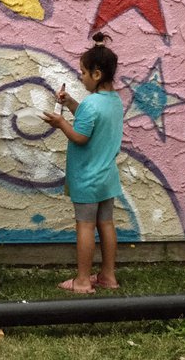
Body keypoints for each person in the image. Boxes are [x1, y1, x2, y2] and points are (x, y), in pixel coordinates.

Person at [42, 32, 124, 294]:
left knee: (86, 226)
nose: (80, 76)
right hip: (107, 177)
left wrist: (61, 122)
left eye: (83, 72)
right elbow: (91, 121)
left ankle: (83, 280)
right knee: (107, 224)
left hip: (87, 179)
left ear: (97, 74)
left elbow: (80, 136)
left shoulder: (91, 105)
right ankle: (108, 276)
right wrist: (72, 103)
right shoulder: (114, 102)